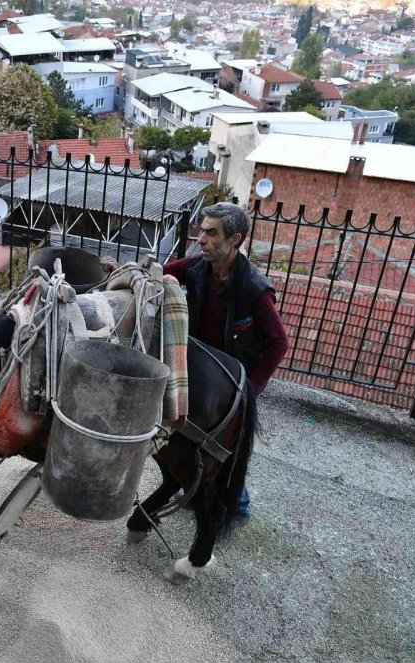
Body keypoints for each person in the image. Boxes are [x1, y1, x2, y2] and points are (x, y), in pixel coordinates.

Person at [103, 202, 289, 520]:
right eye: (201, 231)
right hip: (198, 371)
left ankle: (236, 504)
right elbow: (155, 274)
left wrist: (249, 392)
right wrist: (122, 269)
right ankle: (182, 484)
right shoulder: (196, 267)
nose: (201, 239)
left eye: (211, 233)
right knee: (180, 435)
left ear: (236, 239)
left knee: (225, 451)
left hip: (229, 385)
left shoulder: (255, 289)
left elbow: (279, 343)